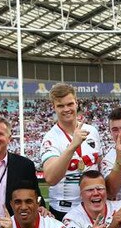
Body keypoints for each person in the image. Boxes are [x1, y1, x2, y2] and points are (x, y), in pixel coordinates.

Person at [41, 83, 102, 220]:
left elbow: (98, 165)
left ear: (76, 103)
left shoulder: (92, 131)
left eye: (69, 104)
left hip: (93, 206)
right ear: (54, 107)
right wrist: (72, 146)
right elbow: (51, 178)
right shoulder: (51, 138)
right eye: (60, 106)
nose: (66, 109)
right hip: (64, 210)